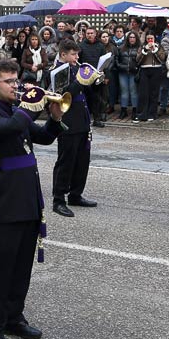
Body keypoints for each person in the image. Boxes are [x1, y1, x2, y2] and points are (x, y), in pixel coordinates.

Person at [0, 58, 64, 339]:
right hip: (4, 200)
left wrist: (53, 116)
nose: (16, 86)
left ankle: (14, 317)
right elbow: (12, 126)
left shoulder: (15, 112)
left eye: (17, 80)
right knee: (2, 266)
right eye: (9, 82)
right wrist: (29, 104)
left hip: (27, 197)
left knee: (22, 265)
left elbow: (46, 137)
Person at [51, 41, 97, 218]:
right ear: (63, 54)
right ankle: (58, 200)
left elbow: (85, 93)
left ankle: (75, 194)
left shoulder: (76, 68)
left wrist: (95, 81)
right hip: (67, 121)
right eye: (73, 54)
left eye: (77, 54)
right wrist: (82, 79)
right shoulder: (57, 71)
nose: (77, 58)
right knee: (66, 161)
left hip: (82, 119)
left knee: (82, 160)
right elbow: (66, 94)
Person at [114, 32, 139, 121]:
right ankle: (123, 110)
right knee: (124, 91)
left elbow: (140, 60)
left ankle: (135, 109)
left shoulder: (139, 48)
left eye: (134, 37)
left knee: (133, 91)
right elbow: (116, 60)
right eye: (130, 37)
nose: (132, 39)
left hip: (133, 72)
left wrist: (136, 68)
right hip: (123, 72)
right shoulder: (121, 48)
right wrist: (122, 67)